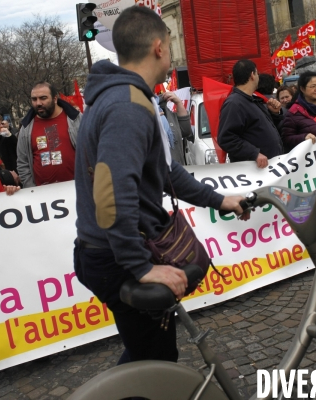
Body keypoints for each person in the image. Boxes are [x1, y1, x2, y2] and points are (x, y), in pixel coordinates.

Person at [74, 6, 245, 367]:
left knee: (147, 357)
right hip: (118, 257)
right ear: (158, 47)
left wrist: (219, 200)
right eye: (170, 42)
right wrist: (141, 267)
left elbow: (168, 172)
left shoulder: (126, 97)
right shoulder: (127, 105)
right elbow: (110, 196)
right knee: (156, 366)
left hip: (110, 251)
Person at [217, 59, 283, 168]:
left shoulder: (251, 99)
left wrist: (274, 114)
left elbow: (259, 129)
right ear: (252, 75)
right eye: (257, 73)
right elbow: (226, 138)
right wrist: (254, 153)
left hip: (268, 167)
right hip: (254, 170)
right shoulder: (234, 103)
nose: (258, 77)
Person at [17, 82, 81, 187]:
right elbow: (22, 163)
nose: (38, 103)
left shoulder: (77, 120)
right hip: (43, 197)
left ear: (55, 99)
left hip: (77, 189)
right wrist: (32, 189)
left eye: (43, 98)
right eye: (34, 99)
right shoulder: (26, 128)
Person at [157, 91, 192, 165]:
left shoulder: (165, 110)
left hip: (177, 170)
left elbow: (185, 131)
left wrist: (178, 103)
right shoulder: (139, 111)